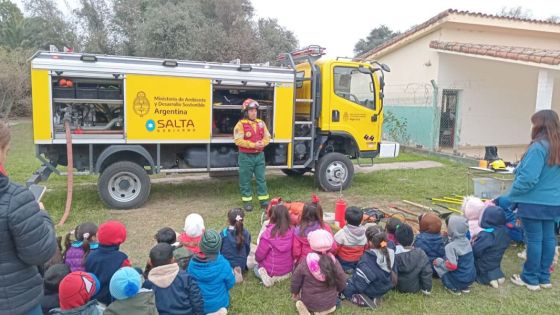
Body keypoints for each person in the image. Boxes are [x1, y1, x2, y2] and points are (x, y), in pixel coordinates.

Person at [0, 120, 58, 315]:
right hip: (17, 305)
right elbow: (40, 253)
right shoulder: (15, 199)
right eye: (7, 151)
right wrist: (41, 214)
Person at [507, 110, 560, 291]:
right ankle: (544, 277)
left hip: (533, 203)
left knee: (535, 240)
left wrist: (511, 195)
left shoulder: (538, 148)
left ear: (540, 125)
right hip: (554, 203)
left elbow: (528, 179)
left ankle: (530, 278)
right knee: (548, 239)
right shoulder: (556, 147)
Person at [291, 229, 347, 315]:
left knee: (301, 301)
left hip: (310, 302)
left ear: (311, 244)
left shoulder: (305, 262)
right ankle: (325, 310)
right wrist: (338, 290)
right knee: (336, 302)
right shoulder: (334, 262)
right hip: (330, 303)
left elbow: (296, 278)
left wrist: (295, 292)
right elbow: (342, 279)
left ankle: (307, 309)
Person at [342, 226, 397, 309]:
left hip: (372, 288)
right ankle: (377, 295)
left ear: (370, 242)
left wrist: (345, 287)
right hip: (387, 285)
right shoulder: (391, 247)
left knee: (346, 287)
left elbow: (359, 285)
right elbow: (387, 244)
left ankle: (365, 298)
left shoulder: (367, 261)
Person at [143, 243, 203, 315]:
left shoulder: (147, 284)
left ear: (150, 262)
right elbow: (197, 301)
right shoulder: (185, 277)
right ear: (173, 260)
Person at [233, 98, 271, 211]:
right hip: (245, 156)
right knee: (245, 180)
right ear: (246, 112)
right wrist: (253, 145)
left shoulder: (261, 123)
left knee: (261, 179)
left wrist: (262, 143)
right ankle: (247, 202)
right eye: (251, 111)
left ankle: (264, 201)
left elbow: (267, 136)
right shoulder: (240, 125)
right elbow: (238, 140)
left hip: (259, 156)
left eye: (255, 110)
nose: (254, 113)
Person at [188, 230, 235, 315]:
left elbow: (190, 285)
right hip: (221, 303)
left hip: (200, 306)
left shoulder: (192, 264)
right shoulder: (223, 263)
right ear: (219, 247)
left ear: (200, 245)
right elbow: (231, 282)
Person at [85, 220, 131, 305]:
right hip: (114, 301)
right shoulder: (122, 259)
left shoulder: (90, 256)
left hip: (93, 301)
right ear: (121, 238)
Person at [433, 215, 476, 295]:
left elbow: (452, 266)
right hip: (470, 277)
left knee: (438, 262)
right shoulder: (467, 241)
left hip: (458, 279)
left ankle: (453, 287)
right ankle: (465, 287)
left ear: (452, 229)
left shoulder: (450, 247)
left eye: (448, 226)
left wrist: (440, 262)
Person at [255, 204, 295, 287]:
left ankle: (268, 278)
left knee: (255, 268)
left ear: (273, 216)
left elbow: (259, 255)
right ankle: (284, 275)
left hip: (272, 271)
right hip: (288, 269)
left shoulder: (268, 233)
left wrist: (258, 260)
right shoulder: (293, 230)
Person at [472, 206, 510, 288]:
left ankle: (488, 279)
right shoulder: (504, 231)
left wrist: (473, 243)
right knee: (492, 266)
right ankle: (497, 276)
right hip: (496, 261)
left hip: (483, 264)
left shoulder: (486, 235)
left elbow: (476, 251)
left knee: (475, 263)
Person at [394, 224, 432, 294]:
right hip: (415, 288)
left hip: (396, 287)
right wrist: (427, 289)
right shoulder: (420, 253)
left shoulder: (393, 253)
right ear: (413, 237)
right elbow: (426, 272)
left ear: (397, 240)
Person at [293, 200, 334, 265]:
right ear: (319, 214)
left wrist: (297, 260)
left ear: (304, 213)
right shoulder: (325, 227)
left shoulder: (299, 230)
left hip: (305, 261)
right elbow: (332, 245)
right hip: (323, 260)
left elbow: (296, 251)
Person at [220, 208, 251, 283]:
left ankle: (232, 273)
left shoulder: (223, 233)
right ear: (242, 220)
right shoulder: (246, 233)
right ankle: (237, 272)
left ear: (228, 220)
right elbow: (247, 249)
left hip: (226, 264)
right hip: (241, 264)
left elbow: (219, 250)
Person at [333, 206, 367, 273]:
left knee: (336, 258)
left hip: (344, 260)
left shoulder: (340, 234)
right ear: (361, 221)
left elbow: (335, 249)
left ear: (345, 221)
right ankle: (354, 267)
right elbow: (365, 248)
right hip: (358, 259)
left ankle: (346, 268)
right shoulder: (365, 233)